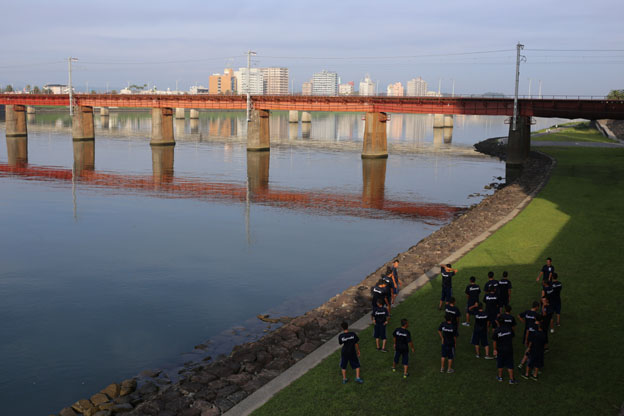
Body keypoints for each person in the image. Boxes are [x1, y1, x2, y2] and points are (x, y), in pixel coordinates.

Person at [492, 317, 517, 384]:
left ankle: (500, 377)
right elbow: (512, 337)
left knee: (500, 363)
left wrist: (494, 349)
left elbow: (494, 341)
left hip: (500, 349)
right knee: (510, 363)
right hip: (509, 348)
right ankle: (511, 379)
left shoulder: (496, 330)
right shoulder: (509, 329)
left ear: (498, 322)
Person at [522, 315, 547, 381]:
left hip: (533, 349)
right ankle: (535, 375)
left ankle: (527, 374)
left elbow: (531, 342)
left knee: (529, 362)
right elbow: (545, 343)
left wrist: (529, 348)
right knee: (537, 363)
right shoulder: (544, 335)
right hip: (540, 350)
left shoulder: (535, 333)